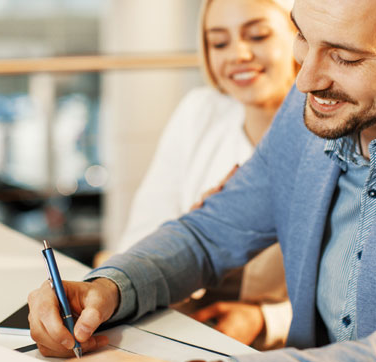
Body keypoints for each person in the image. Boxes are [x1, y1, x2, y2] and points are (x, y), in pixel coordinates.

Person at [27, 0, 376, 360]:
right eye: (301, 38)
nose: (306, 79)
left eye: (343, 57)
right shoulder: (312, 117)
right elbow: (208, 234)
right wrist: (110, 287)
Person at [101, 0, 297, 349]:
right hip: (178, 328)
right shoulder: (199, 113)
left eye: (257, 35)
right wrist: (199, 218)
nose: (238, 54)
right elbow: (138, 241)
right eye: (219, 43)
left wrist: (266, 319)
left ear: (300, 34)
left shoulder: (329, 133)